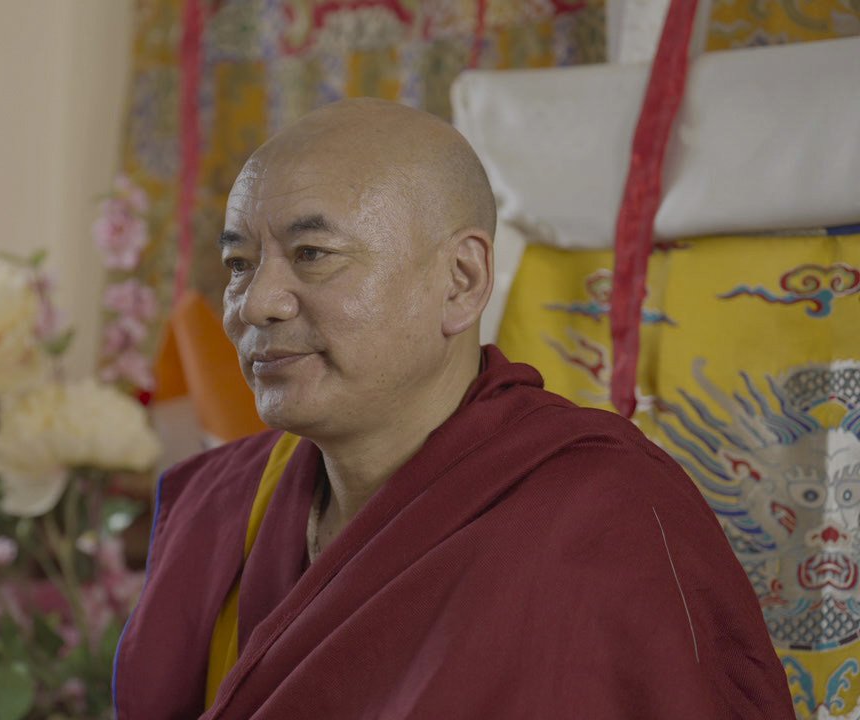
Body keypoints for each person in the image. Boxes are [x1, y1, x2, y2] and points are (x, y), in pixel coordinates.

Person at [112, 98, 794, 719]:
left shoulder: (592, 515)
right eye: (238, 263)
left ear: (461, 281)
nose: (257, 301)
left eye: (312, 254)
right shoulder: (225, 505)